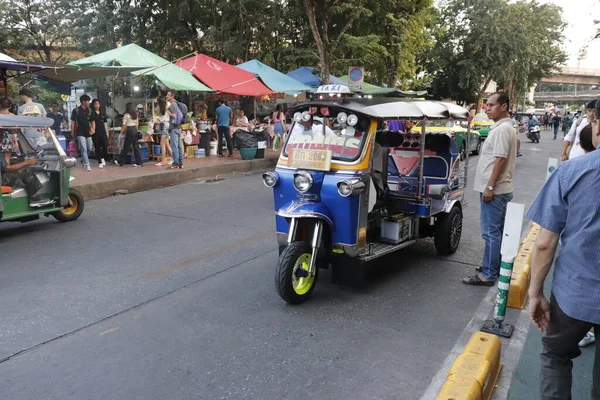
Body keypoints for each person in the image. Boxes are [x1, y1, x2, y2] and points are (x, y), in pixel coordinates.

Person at [526, 111, 600, 400]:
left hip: (575, 293)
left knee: (555, 356)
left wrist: (535, 293)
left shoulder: (572, 171)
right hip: (576, 291)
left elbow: (545, 243)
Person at [462, 92, 517, 286]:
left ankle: (488, 273)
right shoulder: (503, 127)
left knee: (490, 233)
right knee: (496, 232)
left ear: (503, 106)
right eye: (487, 105)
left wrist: (490, 186)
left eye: (491, 105)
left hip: (495, 190)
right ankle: (490, 265)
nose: (487, 108)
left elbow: (500, 159)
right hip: (499, 189)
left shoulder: (503, 130)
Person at [115, 102, 143, 167]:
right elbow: (137, 124)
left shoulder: (126, 115)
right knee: (136, 146)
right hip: (135, 130)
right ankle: (139, 162)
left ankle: (120, 161)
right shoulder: (135, 115)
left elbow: (124, 125)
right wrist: (137, 131)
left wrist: (121, 133)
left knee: (126, 146)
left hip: (130, 130)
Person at [71, 94, 93, 171]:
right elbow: (73, 122)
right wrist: (72, 132)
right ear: (83, 101)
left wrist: (92, 129)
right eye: (88, 101)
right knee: (84, 148)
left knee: (89, 148)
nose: (89, 103)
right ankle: (87, 164)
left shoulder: (89, 110)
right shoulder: (76, 110)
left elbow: (90, 121)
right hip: (80, 131)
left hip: (88, 131)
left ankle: (83, 160)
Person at [166, 90, 184, 168]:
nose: (167, 96)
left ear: (172, 96)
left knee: (174, 146)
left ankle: (175, 163)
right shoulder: (177, 104)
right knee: (179, 146)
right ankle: (180, 163)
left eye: (168, 95)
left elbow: (174, 116)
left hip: (174, 128)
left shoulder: (173, 104)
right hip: (179, 128)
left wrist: (167, 111)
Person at [90, 99, 109, 169]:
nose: (97, 105)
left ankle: (103, 157)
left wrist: (107, 132)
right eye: (95, 104)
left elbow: (105, 124)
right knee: (97, 147)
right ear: (93, 105)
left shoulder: (103, 114)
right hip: (95, 133)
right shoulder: (92, 113)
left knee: (104, 146)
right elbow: (90, 123)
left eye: (98, 104)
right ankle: (100, 161)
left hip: (102, 132)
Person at [155, 96, 173, 167]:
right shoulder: (167, 107)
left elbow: (157, 114)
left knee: (162, 144)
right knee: (167, 144)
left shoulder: (164, 108)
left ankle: (163, 161)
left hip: (164, 126)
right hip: (166, 125)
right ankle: (173, 159)